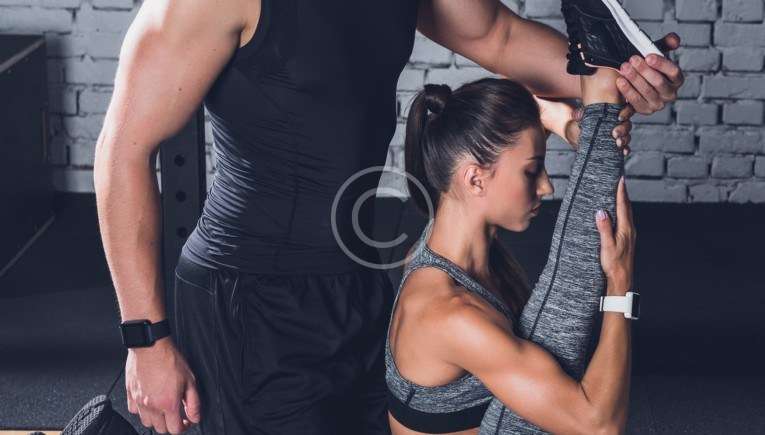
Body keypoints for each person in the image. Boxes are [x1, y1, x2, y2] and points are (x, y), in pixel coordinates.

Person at [92, 0, 682, 433]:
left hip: (356, 278)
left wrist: (615, 77)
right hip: (250, 301)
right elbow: (122, 152)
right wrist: (147, 341)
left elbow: (495, 34)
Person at [385, 65, 634, 433]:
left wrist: (562, 122)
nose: (546, 187)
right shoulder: (450, 315)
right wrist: (619, 285)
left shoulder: (446, 241)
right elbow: (599, 427)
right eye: (532, 171)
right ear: (475, 179)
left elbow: (511, 113)